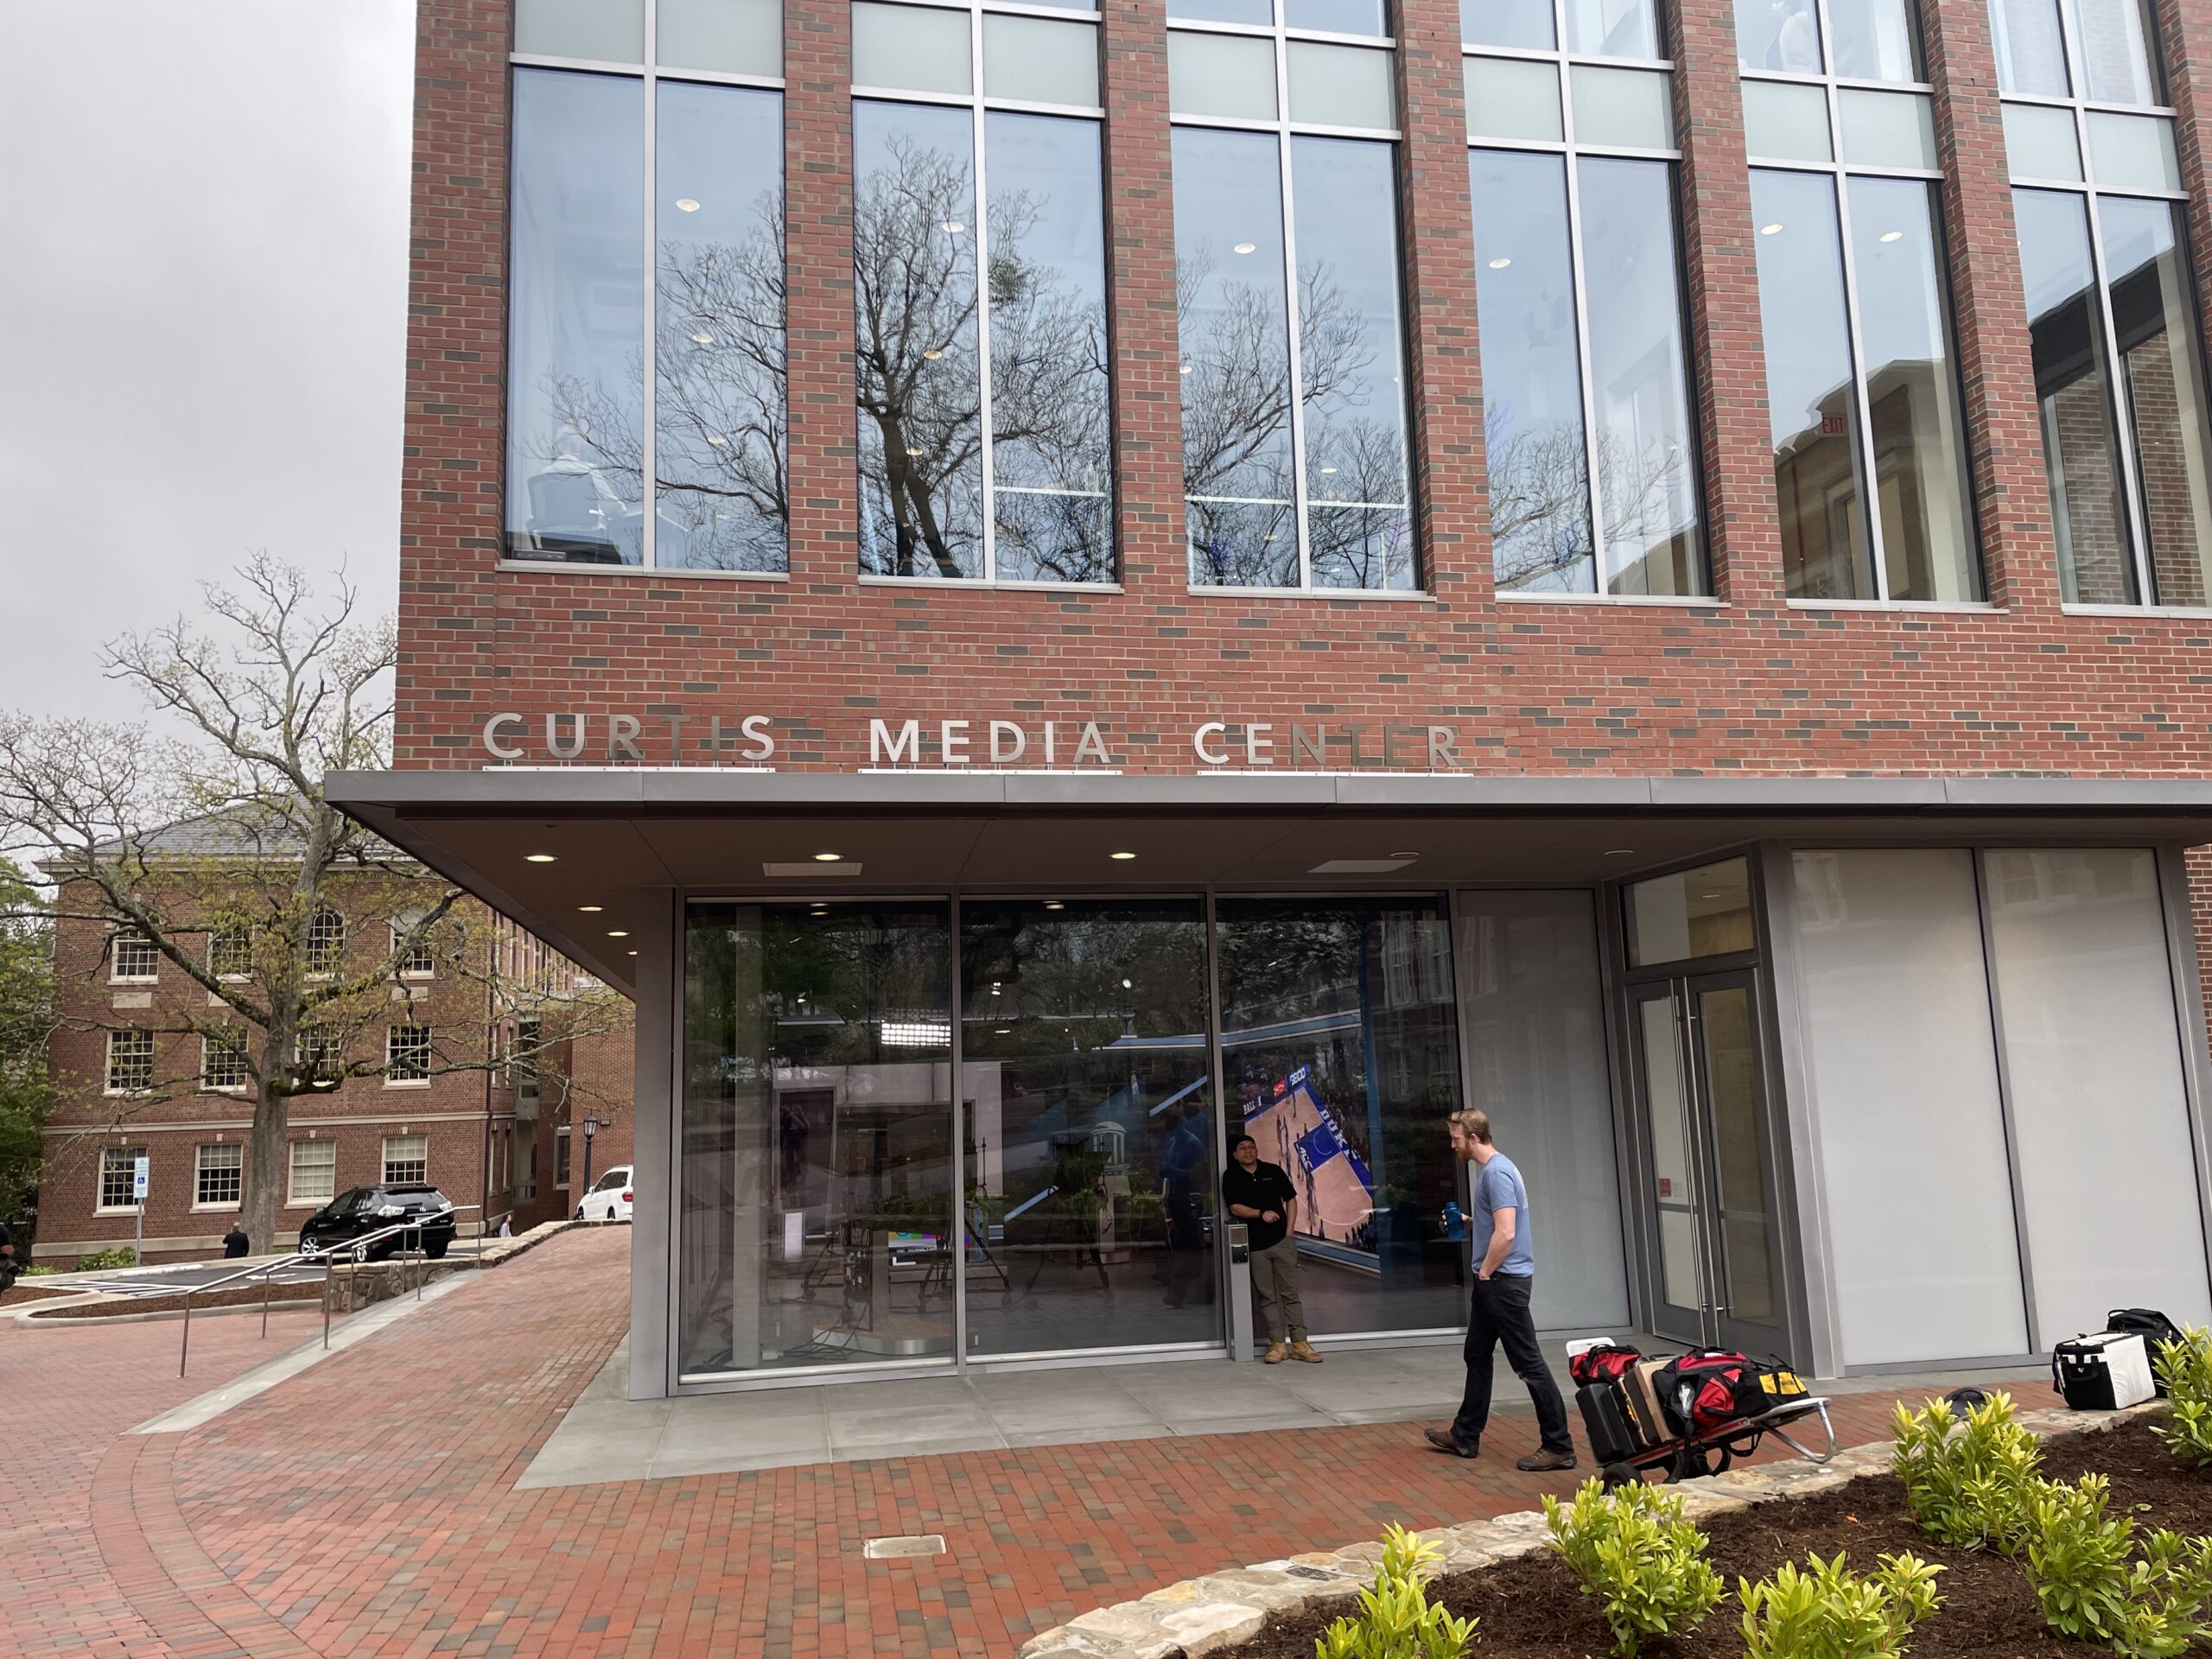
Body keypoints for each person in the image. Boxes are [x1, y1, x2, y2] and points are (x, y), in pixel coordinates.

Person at [1425, 1109, 1575, 1471]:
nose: (1453, 1144)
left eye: (1456, 1138)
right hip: (1494, 1281)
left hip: (1502, 1282)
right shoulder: (1495, 1171)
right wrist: (1470, 1223)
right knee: (1477, 1354)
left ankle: (1559, 1445)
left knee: (1529, 1364)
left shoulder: (1497, 1174)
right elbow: (1499, 1224)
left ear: (1473, 1139)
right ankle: (1465, 1434)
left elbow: (1507, 1233)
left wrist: (1488, 1273)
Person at [1224, 1132, 1320, 1364]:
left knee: (1291, 1294)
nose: (1248, 1151)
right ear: (1235, 1154)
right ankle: (1277, 1344)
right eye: (1243, 1148)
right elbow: (1235, 1207)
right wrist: (1260, 1214)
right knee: (1267, 1296)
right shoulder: (1231, 1176)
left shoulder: (1273, 1171)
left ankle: (1300, 1343)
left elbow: (1292, 1199)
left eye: (1251, 1146)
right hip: (1255, 1246)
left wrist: (1289, 1234)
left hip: (1281, 1242)